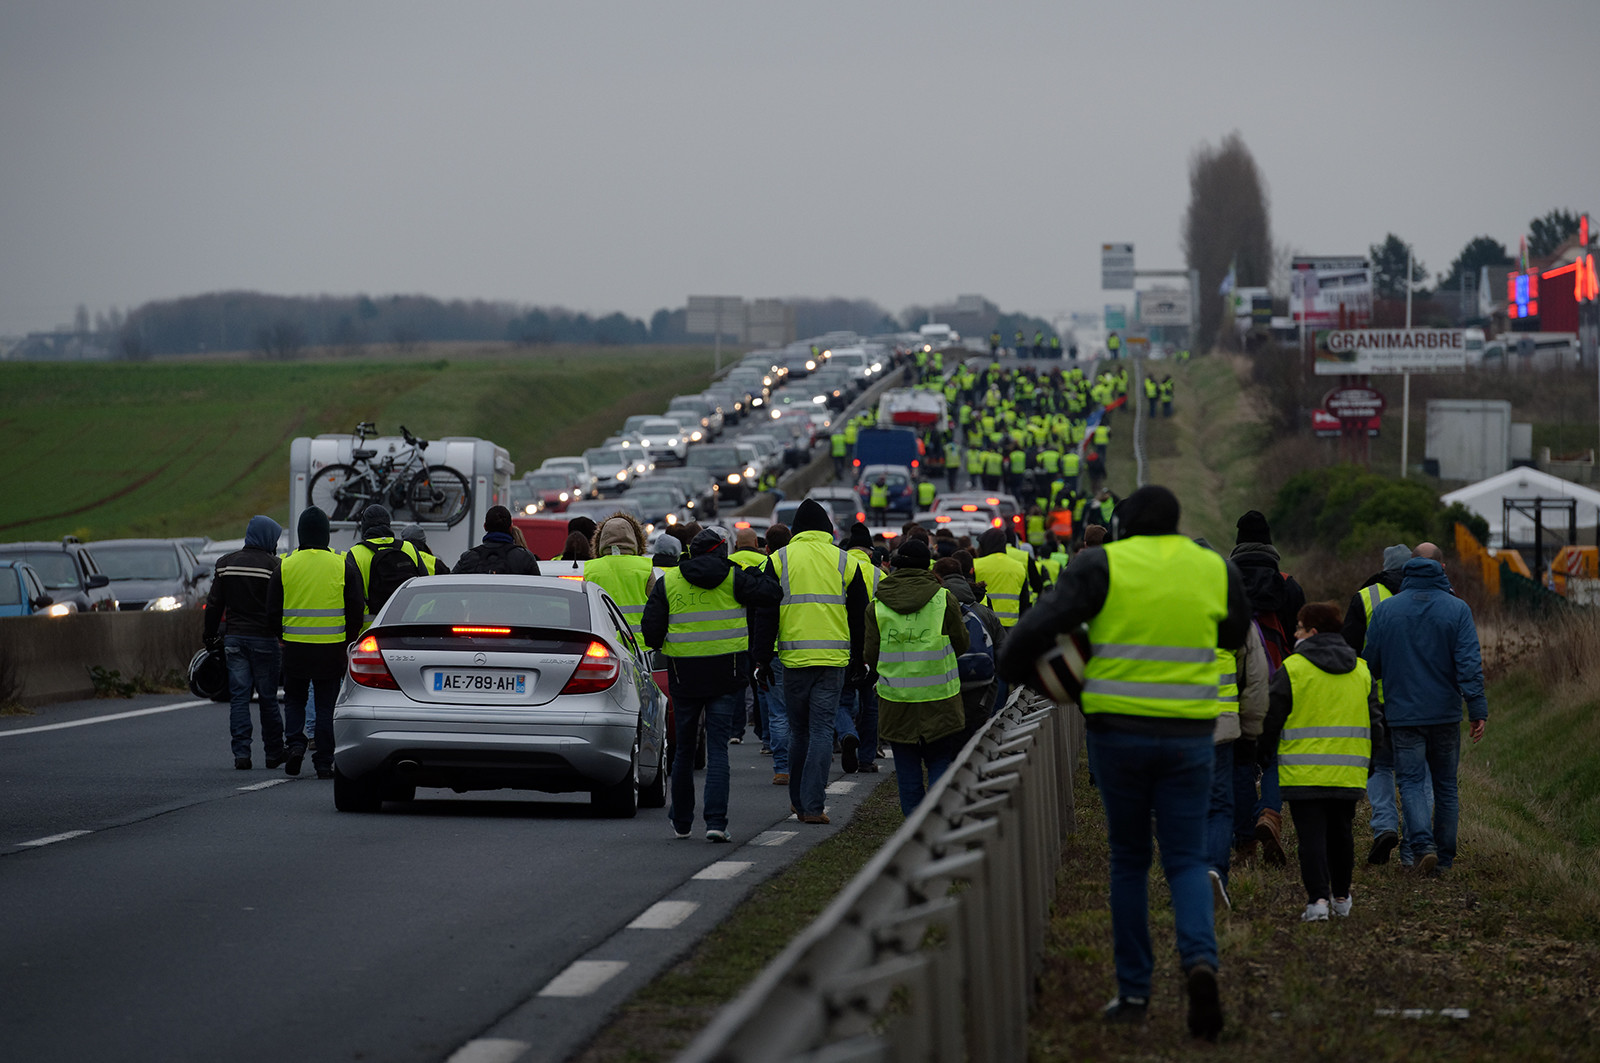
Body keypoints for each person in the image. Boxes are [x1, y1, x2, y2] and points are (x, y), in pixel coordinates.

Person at [996, 485, 1249, 1040]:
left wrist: (1012, 667)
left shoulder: (1100, 564)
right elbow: (1233, 633)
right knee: (1184, 859)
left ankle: (1134, 990)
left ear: (1123, 524)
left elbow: (1042, 623)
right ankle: (1200, 963)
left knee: (1130, 859)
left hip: (1119, 734)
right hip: (1190, 735)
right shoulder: (1211, 567)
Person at [643, 526, 780, 842]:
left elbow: (651, 631)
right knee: (718, 749)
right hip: (725, 675)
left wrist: (671, 644)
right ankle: (716, 823)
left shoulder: (671, 581)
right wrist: (743, 570)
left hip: (683, 675)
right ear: (722, 550)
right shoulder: (734, 578)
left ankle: (681, 821)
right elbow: (773, 592)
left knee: (684, 751)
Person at [1362, 543, 1488, 875]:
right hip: (1446, 713)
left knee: (1412, 781)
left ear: (1407, 572)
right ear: (1440, 569)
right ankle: (1443, 859)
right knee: (1446, 784)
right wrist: (1477, 708)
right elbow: (1469, 665)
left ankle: (1422, 846)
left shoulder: (1387, 610)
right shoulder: (1458, 609)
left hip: (1403, 713)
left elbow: (1370, 662)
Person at [1262, 601, 1383, 920]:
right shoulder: (1361, 669)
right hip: (1348, 771)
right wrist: (1371, 761)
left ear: (1312, 632)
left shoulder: (1293, 668)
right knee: (1341, 834)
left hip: (1303, 772)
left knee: (1311, 838)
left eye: (1299, 627)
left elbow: (1272, 717)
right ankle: (1342, 897)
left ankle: (1317, 902)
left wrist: (1262, 755)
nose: (1294, 632)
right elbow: (1375, 722)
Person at [759, 500, 867, 824]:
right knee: (822, 730)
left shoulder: (779, 559)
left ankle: (797, 801)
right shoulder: (845, 560)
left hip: (793, 659)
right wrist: (859, 660)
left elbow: (765, 614)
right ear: (828, 530)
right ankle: (813, 806)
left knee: (799, 731)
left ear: (795, 531)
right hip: (834, 659)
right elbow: (859, 616)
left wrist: (762, 659)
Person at [1195, 539, 1269, 912]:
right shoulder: (1235, 614)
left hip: (1174, 724)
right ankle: (1215, 871)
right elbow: (1256, 678)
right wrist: (1252, 729)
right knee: (1219, 803)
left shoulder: (1164, 610)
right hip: (1222, 727)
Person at [1228, 510, 1306, 864]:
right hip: (1278, 680)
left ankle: (1244, 839)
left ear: (1238, 541)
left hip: (1233, 681)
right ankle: (1270, 814)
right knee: (1274, 755)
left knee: (1240, 760)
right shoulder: (1288, 585)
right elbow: (1300, 638)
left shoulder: (1223, 582)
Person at [269, 506, 363, 780]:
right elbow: (355, 607)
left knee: (295, 700)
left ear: (300, 534)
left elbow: (272, 610)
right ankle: (324, 761)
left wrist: (282, 637)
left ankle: (296, 745)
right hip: (331, 648)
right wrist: (347, 639)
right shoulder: (341, 564)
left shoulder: (285, 565)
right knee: (326, 705)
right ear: (326, 535)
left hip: (295, 647)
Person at [1342, 543, 1420, 865]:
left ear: (1384, 566)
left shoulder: (1366, 597)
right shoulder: (1428, 593)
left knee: (1380, 766)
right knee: (1417, 775)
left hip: (1377, 699)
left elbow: (1349, 649)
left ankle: (1384, 826)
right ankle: (1416, 844)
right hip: (1418, 700)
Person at [204, 515, 287, 771]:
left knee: (239, 697)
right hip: (264, 640)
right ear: (267, 537)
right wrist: (280, 634)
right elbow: (279, 606)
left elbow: (215, 604)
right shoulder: (275, 566)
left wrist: (209, 636)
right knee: (268, 698)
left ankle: (241, 754)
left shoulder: (225, 564)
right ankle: (273, 752)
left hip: (234, 639)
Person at [344, 505, 424, 632]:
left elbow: (354, 601)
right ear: (388, 524)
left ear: (364, 526)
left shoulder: (356, 553)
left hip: (371, 631)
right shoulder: (409, 548)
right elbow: (424, 589)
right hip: (408, 628)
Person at [584, 513, 653, 640]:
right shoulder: (645, 566)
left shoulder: (590, 568)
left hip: (605, 643)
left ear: (601, 539)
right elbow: (657, 607)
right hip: (641, 644)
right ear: (634, 538)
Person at [454, 505, 542, 575]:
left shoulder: (468, 558)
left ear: (485, 527)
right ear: (511, 528)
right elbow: (537, 590)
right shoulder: (524, 557)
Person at [973, 527, 1030, 628]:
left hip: (983, 624)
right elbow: (1024, 601)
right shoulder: (1018, 567)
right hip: (1010, 625)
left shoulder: (976, 565)